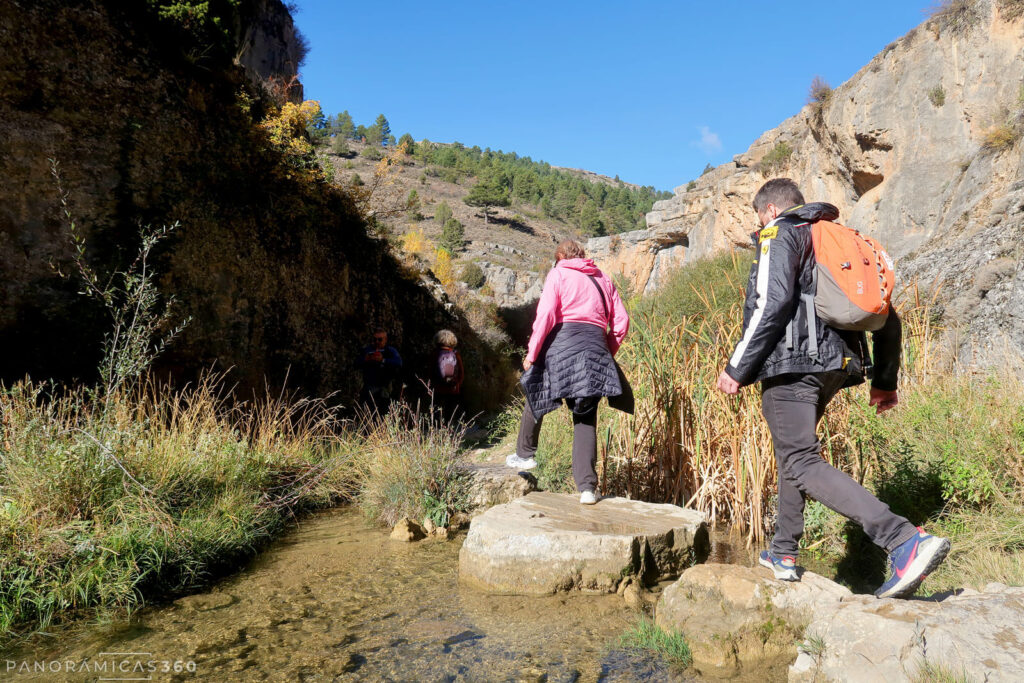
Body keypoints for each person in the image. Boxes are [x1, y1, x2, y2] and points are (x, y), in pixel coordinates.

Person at [715, 178, 949, 599]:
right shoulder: (839, 239)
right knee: (794, 453)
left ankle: (902, 539)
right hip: (836, 365)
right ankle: (783, 552)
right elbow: (885, 314)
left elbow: (773, 302)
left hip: (792, 364)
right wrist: (884, 381)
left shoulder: (780, 233)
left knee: (801, 460)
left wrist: (737, 367)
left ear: (769, 211)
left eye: (759, 217)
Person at [505, 240, 633, 505]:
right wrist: (605, 352)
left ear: (560, 256)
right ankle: (587, 488)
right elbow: (621, 322)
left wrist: (531, 353)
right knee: (585, 417)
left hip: (562, 345)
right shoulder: (603, 279)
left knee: (536, 390)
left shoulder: (559, 273)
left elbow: (546, 315)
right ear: (583, 256)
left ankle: (525, 454)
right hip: (595, 347)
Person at [356, 328, 402, 414]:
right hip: (369, 386)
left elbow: (398, 362)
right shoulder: (367, 350)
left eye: (380, 339)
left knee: (384, 412)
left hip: (385, 387)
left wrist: (383, 360)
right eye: (375, 339)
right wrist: (366, 359)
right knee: (368, 412)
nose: (377, 342)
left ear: (385, 340)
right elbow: (356, 363)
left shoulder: (390, 351)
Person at [427, 329, 465, 423]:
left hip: (438, 387)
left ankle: (437, 430)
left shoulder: (435, 353)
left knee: (436, 410)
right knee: (450, 411)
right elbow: (461, 372)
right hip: (453, 388)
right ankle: (449, 431)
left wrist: (430, 385)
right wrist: (457, 385)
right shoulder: (455, 354)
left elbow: (430, 371)